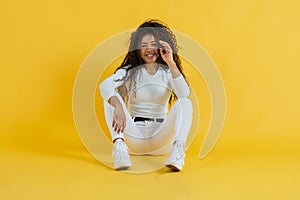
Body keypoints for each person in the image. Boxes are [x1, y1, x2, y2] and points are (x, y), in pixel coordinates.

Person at [99, 19, 193, 171]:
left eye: (153, 44)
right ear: (137, 50)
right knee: (109, 97)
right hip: (135, 139)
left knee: (185, 102)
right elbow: (104, 86)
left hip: (161, 141)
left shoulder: (168, 72)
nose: (149, 49)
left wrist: (170, 61)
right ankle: (120, 148)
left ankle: (178, 153)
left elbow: (184, 93)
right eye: (143, 45)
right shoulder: (130, 71)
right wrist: (116, 104)